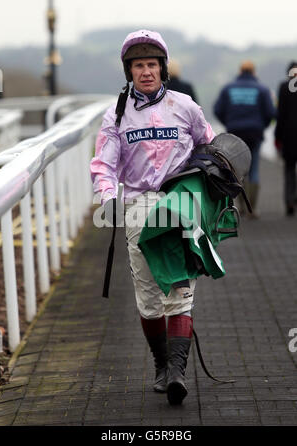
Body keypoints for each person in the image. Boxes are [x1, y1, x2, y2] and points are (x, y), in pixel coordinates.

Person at [90, 29, 216, 405]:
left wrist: (206, 183)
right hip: (139, 208)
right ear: (129, 71)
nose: (146, 71)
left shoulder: (186, 106)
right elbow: (103, 165)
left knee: (180, 291)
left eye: (152, 64)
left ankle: (178, 372)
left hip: (180, 206)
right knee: (148, 298)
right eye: (138, 65)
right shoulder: (115, 115)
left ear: (163, 68)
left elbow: (208, 146)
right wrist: (108, 197)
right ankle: (161, 364)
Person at [213, 61, 276, 217]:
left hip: (234, 134)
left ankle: (241, 207)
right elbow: (271, 113)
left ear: (240, 71)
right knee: (253, 169)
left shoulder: (228, 89)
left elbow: (217, 110)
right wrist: (262, 125)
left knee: (237, 170)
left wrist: (228, 122)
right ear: (254, 72)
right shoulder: (262, 89)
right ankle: (252, 208)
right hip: (255, 133)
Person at [275, 61, 297, 216]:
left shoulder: (284, 87)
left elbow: (280, 114)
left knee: (289, 170)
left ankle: (289, 201)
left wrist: (277, 137)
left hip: (289, 137)